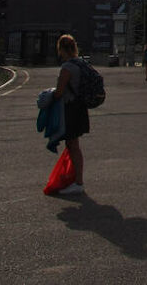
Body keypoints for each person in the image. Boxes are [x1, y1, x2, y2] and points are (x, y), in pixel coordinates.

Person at [52, 33, 89, 195]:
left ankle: (78, 182)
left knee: (73, 145)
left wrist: (48, 96)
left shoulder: (67, 67)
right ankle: (75, 179)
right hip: (80, 108)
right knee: (74, 145)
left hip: (71, 109)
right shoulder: (80, 63)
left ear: (61, 49)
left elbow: (59, 92)